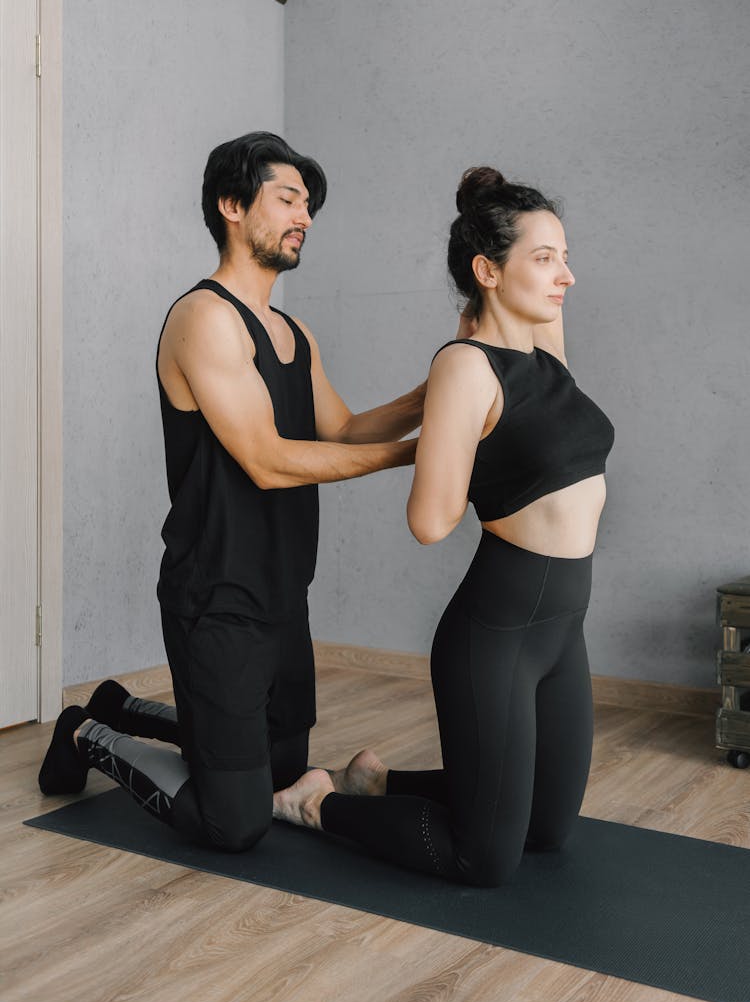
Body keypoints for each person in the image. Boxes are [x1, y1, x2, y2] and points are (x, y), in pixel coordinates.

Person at [38, 131, 425, 852]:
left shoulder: (292, 330)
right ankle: (87, 730)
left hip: (280, 591)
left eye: (307, 204)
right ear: (231, 205)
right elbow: (268, 461)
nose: (303, 216)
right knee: (236, 819)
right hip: (214, 595)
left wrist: (439, 393)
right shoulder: (204, 318)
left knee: (279, 771)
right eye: (286, 199)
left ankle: (121, 705)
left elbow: (340, 430)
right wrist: (414, 457)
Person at [272, 165, 615, 886]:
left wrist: (499, 219)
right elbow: (431, 522)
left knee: (547, 832)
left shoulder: (542, 355)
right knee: (483, 858)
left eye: (565, 255)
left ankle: (378, 779)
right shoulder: (465, 366)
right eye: (546, 258)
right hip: (495, 632)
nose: (567, 276)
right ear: (488, 270)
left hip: (562, 628)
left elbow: (529, 318)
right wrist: (445, 442)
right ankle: (319, 803)